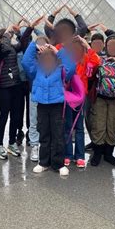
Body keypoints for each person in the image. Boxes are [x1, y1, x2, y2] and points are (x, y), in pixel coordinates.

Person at [22, 41, 76, 176]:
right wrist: (34, 46)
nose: (47, 61)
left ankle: (59, 163)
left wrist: (59, 52)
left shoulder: (61, 70)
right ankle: (44, 162)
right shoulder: (36, 70)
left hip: (57, 105)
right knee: (44, 134)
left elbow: (71, 67)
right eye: (44, 58)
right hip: (42, 106)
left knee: (58, 134)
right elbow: (25, 62)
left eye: (50, 58)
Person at [88, 34, 115, 167]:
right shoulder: (100, 59)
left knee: (112, 126)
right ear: (106, 46)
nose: (112, 47)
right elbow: (91, 77)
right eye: (109, 45)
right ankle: (97, 153)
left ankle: (108, 154)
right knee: (98, 125)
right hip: (100, 99)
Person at [0, 25, 31, 160]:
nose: (11, 38)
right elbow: (4, 47)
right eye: (9, 36)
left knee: (15, 116)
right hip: (4, 87)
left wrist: (30, 28)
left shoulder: (12, 48)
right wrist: (8, 33)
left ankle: (12, 142)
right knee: (4, 116)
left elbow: (23, 43)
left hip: (16, 86)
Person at [65, 35, 100, 168]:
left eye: (79, 49)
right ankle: (68, 155)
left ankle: (79, 156)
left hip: (80, 97)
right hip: (68, 97)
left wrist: (87, 46)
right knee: (68, 126)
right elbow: (57, 49)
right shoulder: (66, 60)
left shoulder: (85, 60)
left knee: (79, 127)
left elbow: (97, 61)